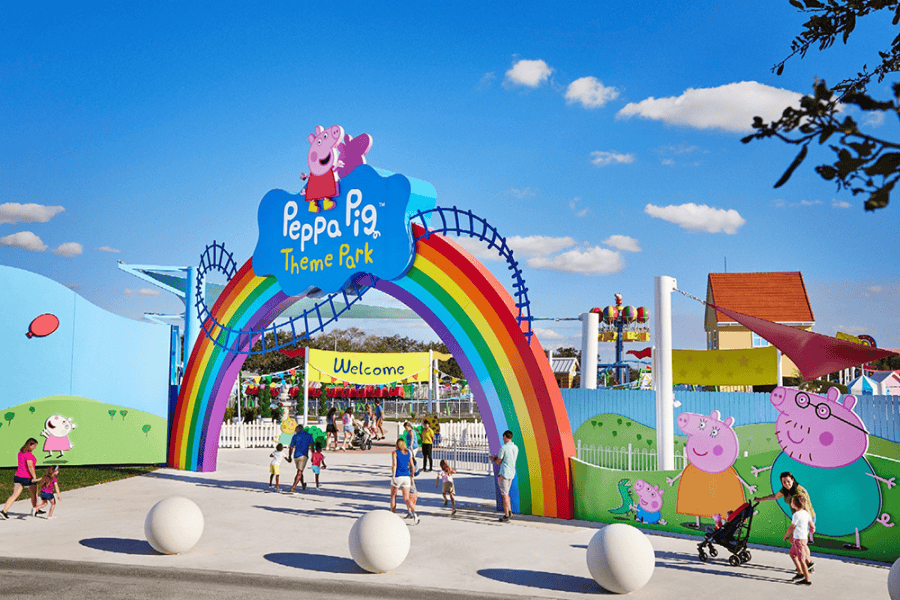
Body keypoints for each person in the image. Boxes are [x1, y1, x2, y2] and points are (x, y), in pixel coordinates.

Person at [755, 471, 815, 571]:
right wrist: (760, 499)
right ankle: (807, 563)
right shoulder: (786, 490)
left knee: (797, 541)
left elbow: (807, 508)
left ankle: (807, 564)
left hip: (806, 518)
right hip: (799, 517)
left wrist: (811, 523)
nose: (786, 484)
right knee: (797, 541)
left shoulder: (798, 492)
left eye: (788, 481)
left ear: (792, 479)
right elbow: (775, 496)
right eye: (784, 482)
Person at [1, 438, 41, 519]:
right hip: (27, 478)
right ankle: (35, 509)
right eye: (34, 446)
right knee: (34, 494)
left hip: (18, 476)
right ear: (29, 445)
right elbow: (30, 467)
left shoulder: (20, 453)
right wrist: (34, 477)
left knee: (14, 495)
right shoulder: (29, 455)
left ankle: (4, 511)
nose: (34, 448)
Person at [784, 495, 815, 585]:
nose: (791, 503)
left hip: (799, 540)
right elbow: (811, 523)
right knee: (792, 554)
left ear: (795, 504)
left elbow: (792, 527)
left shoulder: (796, 515)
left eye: (792, 501)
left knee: (801, 560)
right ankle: (800, 573)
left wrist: (786, 535)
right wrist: (812, 528)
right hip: (801, 539)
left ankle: (807, 580)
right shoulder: (806, 513)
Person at [490, 430, 518, 522]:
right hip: (511, 473)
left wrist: (493, 459)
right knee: (507, 493)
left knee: (504, 495)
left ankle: (506, 515)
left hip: (504, 473)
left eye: (503, 437)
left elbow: (498, 461)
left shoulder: (503, 448)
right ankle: (509, 511)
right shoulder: (515, 447)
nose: (503, 439)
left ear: (506, 437)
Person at [390, 438, 418, 524]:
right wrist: (412, 474)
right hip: (406, 477)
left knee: (393, 496)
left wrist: (393, 476)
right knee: (406, 498)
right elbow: (412, 466)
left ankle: (393, 514)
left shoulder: (395, 453)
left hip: (398, 476)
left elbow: (394, 465)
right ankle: (414, 512)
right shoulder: (408, 452)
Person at [287, 424, 314, 492]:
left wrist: (289, 456)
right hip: (304, 455)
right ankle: (293, 487)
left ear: (299, 429)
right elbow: (312, 446)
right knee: (299, 472)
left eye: (296, 429)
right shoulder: (309, 435)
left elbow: (291, 447)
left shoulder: (295, 436)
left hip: (296, 456)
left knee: (299, 471)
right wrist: (313, 456)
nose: (295, 431)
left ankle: (302, 484)